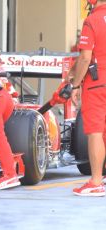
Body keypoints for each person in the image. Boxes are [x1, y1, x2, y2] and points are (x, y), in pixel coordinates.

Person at [69, 0, 106, 197]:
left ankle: (96, 181)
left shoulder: (92, 21)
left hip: (98, 83)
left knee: (95, 132)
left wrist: (75, 85)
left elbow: (85, 57)